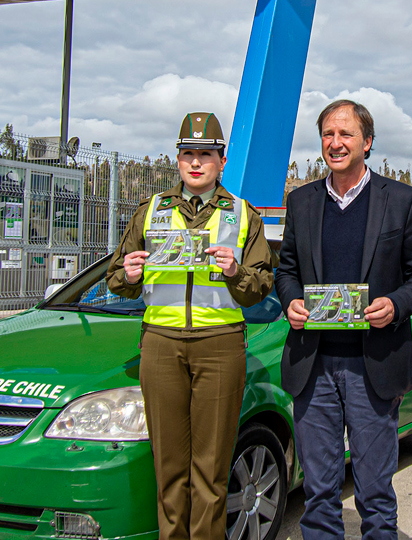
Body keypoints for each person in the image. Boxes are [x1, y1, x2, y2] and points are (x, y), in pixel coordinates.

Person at [106, 112, 274, 539]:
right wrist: (128, 273)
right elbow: (114, 279)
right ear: (177, 159)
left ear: (221, 159)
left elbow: (261, 286)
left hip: (219, 346)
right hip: (161, 344)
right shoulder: (151, 211)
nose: (195, 163)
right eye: (187, 154)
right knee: (169, 469)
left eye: (205, 154)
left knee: (212, 471)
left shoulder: (242, 215)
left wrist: (236, 271)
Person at [275, 99, 412, 540]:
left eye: (346, 134)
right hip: (314, 366)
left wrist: (396, 306)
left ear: (367, 141)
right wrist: (290, 301)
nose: (336, 142)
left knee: (375, 493)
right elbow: (286, 270)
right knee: (319, 492)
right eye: (328, 134)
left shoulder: (400, 200)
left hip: (373, 366)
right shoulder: (301, 201)